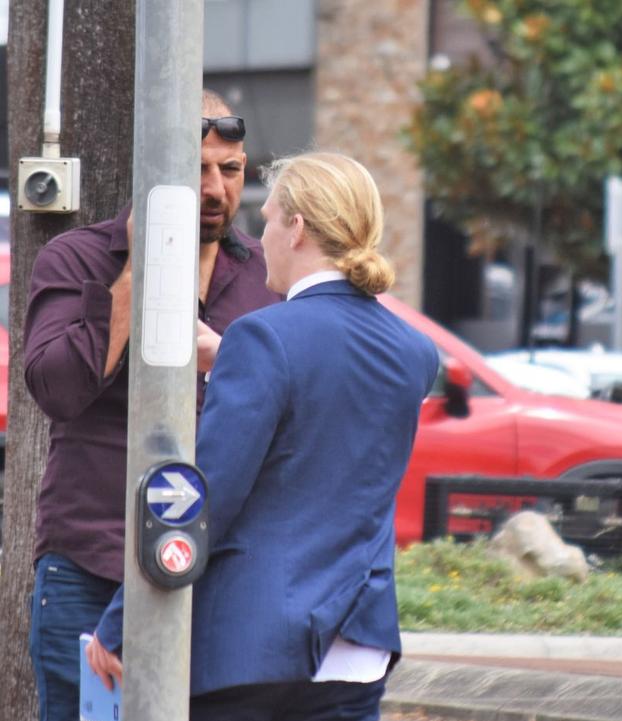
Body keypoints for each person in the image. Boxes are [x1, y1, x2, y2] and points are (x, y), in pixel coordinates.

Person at [88, 152, 439, 721]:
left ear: (297, 228)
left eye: (271, 218)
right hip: (358, 646)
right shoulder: (414, 351)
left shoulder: (263, 337)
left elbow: (207, 499)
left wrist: (122, 621)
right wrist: (233, 357)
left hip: (253, 643)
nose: (263, 235)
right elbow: (332, 420)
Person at [23, 89, 279, 721]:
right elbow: (57, 389)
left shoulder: (266, 278)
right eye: (196, 170)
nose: (217, 189)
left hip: (217, 576)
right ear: (155, 174)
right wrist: (144, 263)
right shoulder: (79, 258)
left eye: (231, 169)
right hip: (92, 565)